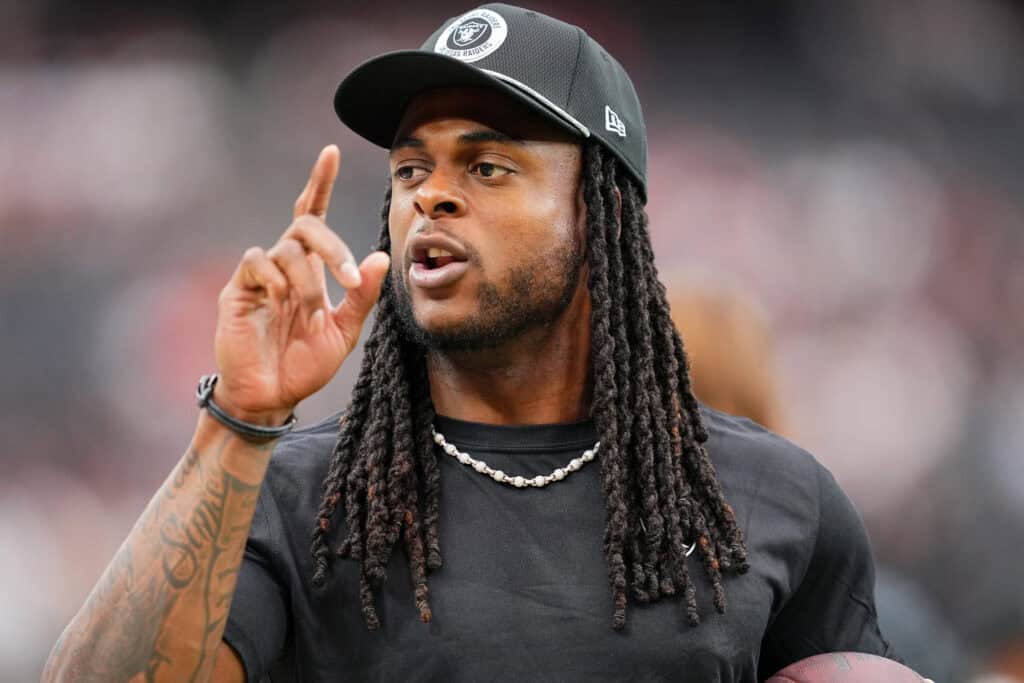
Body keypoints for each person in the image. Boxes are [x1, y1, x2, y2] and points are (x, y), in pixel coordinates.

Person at [43, 4, 895, 682]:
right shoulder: (299, 499)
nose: (431, 197)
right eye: (413, 169)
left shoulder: (772, 497)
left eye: (486, 166)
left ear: (598, 214)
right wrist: (235, 419)